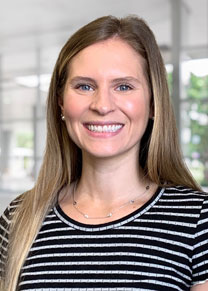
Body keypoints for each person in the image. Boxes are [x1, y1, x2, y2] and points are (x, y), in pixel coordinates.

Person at [0, 15, 208, 291]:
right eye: (84, 86)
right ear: (61, 102)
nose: (102, 105)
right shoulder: (19, 218)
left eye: (123, 86)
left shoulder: (197, 220)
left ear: (154, 103)